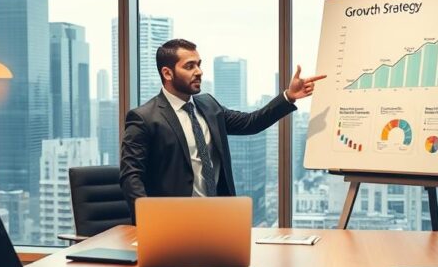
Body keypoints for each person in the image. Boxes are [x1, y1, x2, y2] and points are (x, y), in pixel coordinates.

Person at [120, 38, 325, 220]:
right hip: (172, 221)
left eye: (199, 65)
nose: (199, 72)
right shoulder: (144, 118)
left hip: (217, 217)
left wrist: (288, 96)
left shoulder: (208, 105)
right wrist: (148, 221)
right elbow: (131, 176)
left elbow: (250, 122)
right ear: (167, 73)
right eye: (189, 66)